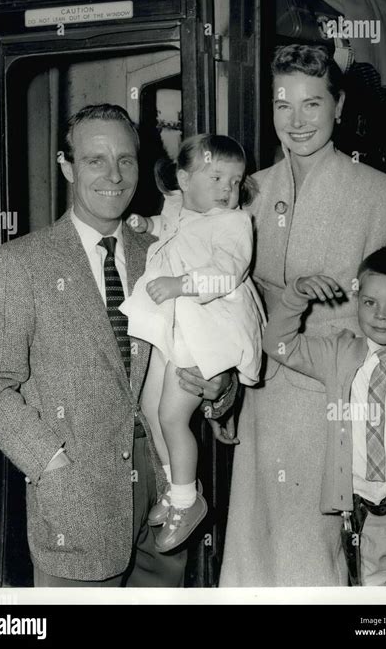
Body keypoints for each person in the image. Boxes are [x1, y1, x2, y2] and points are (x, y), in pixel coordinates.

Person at [0, 104, 235, 587]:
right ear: (67, 167)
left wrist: (218, 386)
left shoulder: (165, 254)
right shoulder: (18, 265)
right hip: (77, 508)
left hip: (167, 502)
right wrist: (53, 469)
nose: (114, 175)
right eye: (95, 160)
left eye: (126, 159)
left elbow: (220, 336)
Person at [220, 44, 386, 586]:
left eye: (312, 104)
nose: (297, 121)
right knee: (256, 553)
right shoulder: (248, 190)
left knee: (317, 560)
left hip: (335, 399)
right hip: (261, 396)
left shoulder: (381, 194)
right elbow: (231, 303)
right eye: (284, 105)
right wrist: (228, 395)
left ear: (339, 106)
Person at [122, 135, 265, 553]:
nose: (228, 189)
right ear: (183, 180)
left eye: (235, 181)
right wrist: (146, 225)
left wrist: (179, 284)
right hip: (176, 328)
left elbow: (227, 271)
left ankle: (188, 500)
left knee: (171, 415)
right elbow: (169, 229)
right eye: (217, 177)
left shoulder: (234, 223)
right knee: (150, 409)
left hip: (209, 330)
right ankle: (174, 485)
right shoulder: (178, 208)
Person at [263, 246, 386, 586]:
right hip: (365, 513)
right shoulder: (341, 352)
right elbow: (277, 343)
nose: (380, 315)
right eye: (370, 302)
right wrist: (297, 293)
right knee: (371, 597)